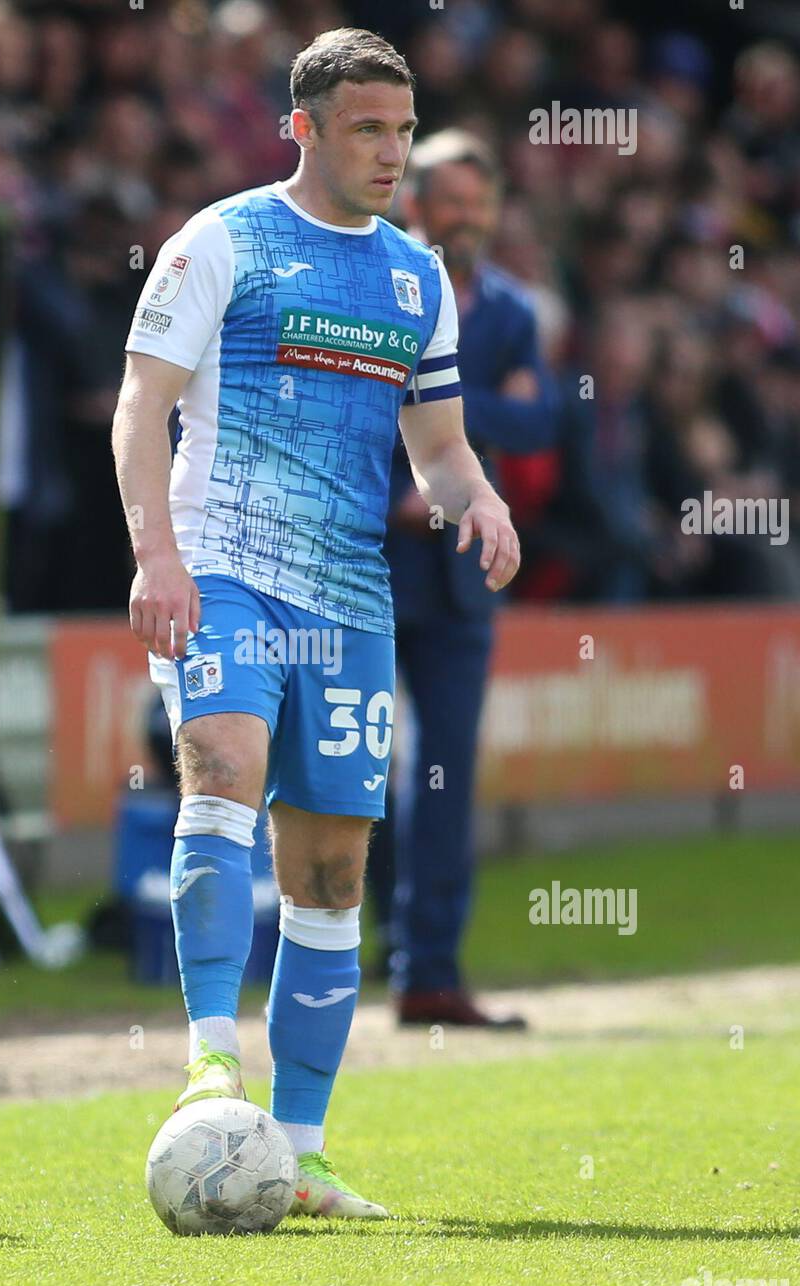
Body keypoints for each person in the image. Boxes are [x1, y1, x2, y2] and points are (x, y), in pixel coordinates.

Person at [112, 28, 519, 1219]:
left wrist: (477, 499)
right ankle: (208, 1059)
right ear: (303, 128)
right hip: (224, 565)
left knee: (333, 868)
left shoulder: (414, 276)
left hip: (347, 597)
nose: (394, 152)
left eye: (402, 128)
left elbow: (436, 447)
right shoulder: (222, 241)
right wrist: (157, 553)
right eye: (367, 129)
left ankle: (300, 1148)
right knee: (220, 766)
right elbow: (142, 406)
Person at [377, 130, 557, 1027]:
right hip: (365, 560)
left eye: (481, 204)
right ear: (414, 203)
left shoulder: (511, 309)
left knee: (442, 777)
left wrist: (442, 423)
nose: (470, 219)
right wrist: (409, 485)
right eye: (453, 201)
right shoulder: (380, 287)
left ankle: (429, 975)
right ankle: (344, 953)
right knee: (345, 767)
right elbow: (348, 404)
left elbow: (538, 424)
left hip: (457, 571)